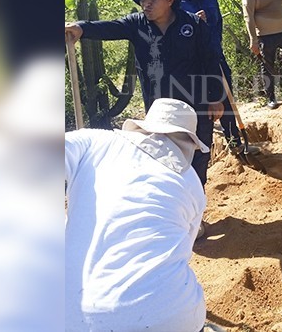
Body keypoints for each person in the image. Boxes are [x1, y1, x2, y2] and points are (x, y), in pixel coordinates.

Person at [64, 0, 224, 186]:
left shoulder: (193, 24)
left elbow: (210, 59)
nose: (146, 3)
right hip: (158, 109)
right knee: (161, 159)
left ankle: (196, 202)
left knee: (198, 158)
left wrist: (215, 97)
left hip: (195, 105)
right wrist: (81, 28)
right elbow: (109, 27)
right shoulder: (136, 24)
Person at [65, 98, 209, 332]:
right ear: (188, 143)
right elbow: (185, 246)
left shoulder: (96, 141)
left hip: (74, 318)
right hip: (171, 317)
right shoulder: (190, 181)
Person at [176, 0, 246, 153]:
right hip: (190, 66)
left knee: (226, 100)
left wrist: (215, 50)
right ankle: (196, 152)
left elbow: (218, 25)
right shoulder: (175, 2)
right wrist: (194, 21)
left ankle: (234, 143)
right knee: (198, 107)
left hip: (215, 57)